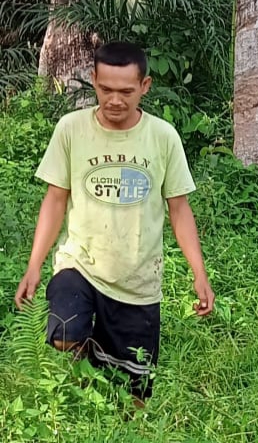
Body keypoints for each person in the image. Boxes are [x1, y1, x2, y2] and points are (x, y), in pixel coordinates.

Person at [14, 41, 214, 403]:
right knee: (63, 332)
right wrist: (33, 266)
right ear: (93, 80)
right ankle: (88, 360)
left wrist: (199, 273)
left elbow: (179, 208)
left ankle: (120, 436)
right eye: (106, 89)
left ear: (145, 86)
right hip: (81, 264)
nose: (115, 100)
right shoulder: (71, 129)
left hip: (138, 280)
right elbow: (55, 200)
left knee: (133, 398)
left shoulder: (163, 137)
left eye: (126, 91)